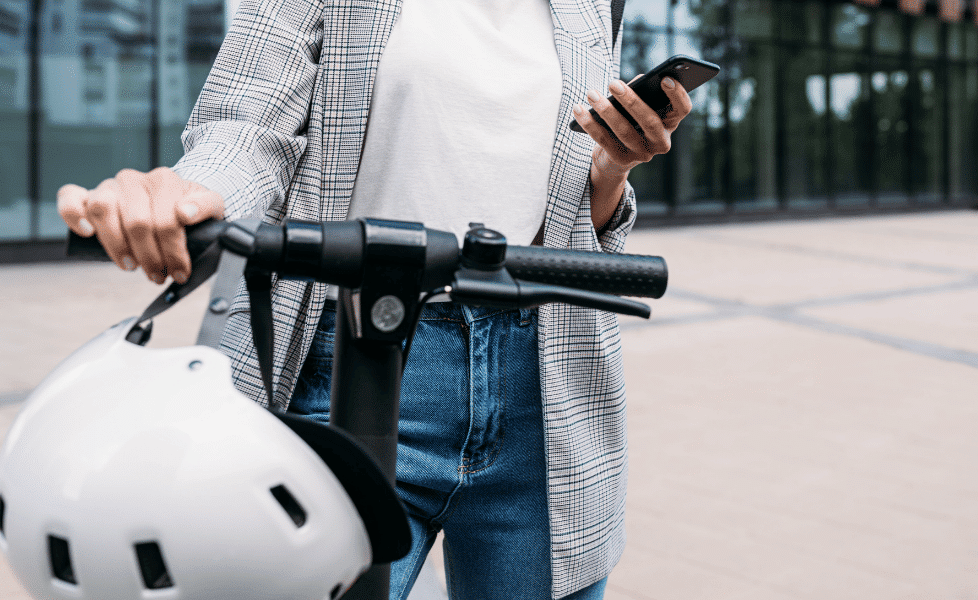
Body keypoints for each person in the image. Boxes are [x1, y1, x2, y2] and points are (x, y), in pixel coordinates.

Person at [57, 0, 692, 598]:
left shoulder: (588, 5)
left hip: (546, 379)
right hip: (352, 363)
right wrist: (187, 194)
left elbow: (571, 211)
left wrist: (612, 166)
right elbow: (247, 129)